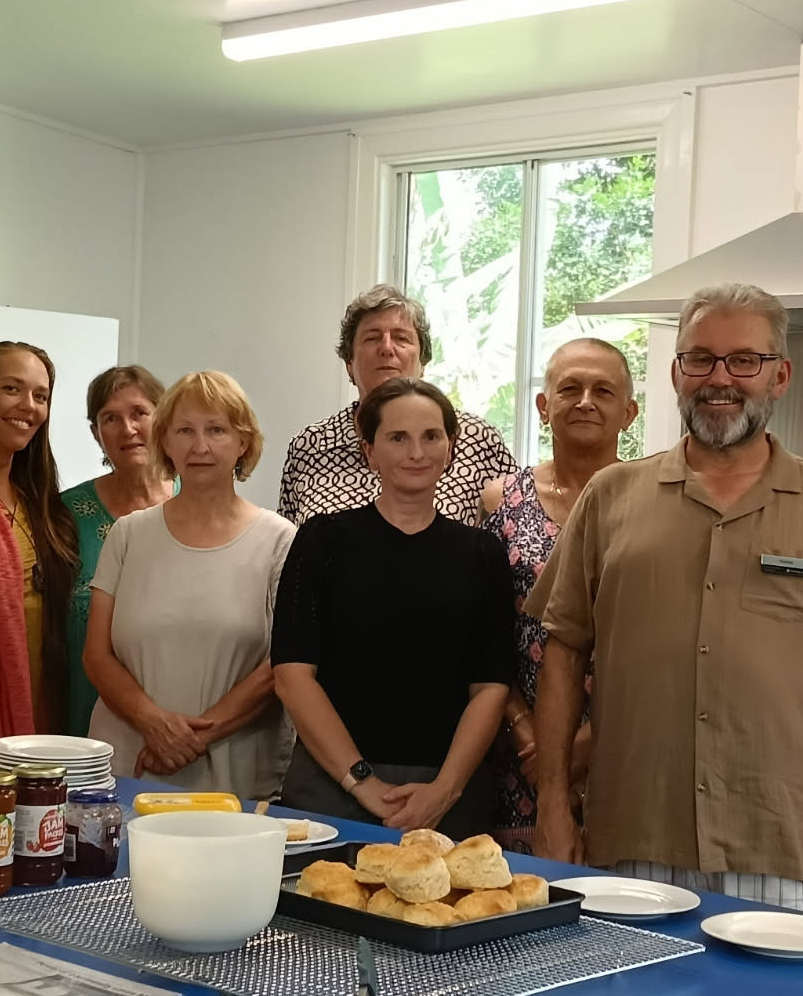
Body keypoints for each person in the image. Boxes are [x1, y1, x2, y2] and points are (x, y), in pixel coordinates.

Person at [528, 282, 803, 920]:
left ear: (780, 376)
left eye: (745, 360)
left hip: (786, 851)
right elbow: (562, 655)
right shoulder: (610, 497)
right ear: (676, 372)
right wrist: (553, 806)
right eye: (701, 359)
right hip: (630, 844)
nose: (721, 379)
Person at [271, 377, 515, 839]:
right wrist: (364, 783)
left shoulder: (482, 554)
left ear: (451, 448)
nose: (416, 452)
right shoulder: (322, 541)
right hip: (331, 787)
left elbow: (491, 686)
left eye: (431, 437)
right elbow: (292, 675)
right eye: (398, 438)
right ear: (370, 451)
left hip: (451, 795)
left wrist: (444, 789)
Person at [82, 371, 295, 798]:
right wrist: (154, 725)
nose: (200, 446)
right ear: (165, 442)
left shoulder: (281, 540)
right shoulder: (127, 534)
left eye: (216, 429)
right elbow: (97, 655)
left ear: (243, 443)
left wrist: (191, 739)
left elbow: (282, 666)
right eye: (184, 430)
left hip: (236, 778)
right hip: (128, 768)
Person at [480, 337, 638, 853]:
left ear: (629, 412)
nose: (586, 400)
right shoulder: (500, 499)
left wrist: (588, 741)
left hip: (629, 749)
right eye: (570, 388)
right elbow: (482, 632)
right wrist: (531, 733)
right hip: (517, 755)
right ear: (544, 407)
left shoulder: (657, 505)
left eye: (603, 390)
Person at [277, 284, 517, 527]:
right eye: (372, 338)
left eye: (401, 338)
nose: (387, 348)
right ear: (349, 362)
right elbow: (288, 549)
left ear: (422, 361)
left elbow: (515, 535)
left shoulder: (478, 439)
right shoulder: (309, 446)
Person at [0, 341, 79, 740]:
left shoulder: (42, 502)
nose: (28, 406)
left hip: (40, 702)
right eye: (12, 389)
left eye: (40, 396)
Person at [61, 366, 178, 736]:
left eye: (139, 413)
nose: (127, 428)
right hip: (83, 712)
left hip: (183, 715)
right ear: (97, 434)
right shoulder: (63, 514)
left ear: (162, 419)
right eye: (110, 418)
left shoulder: (199, 502)